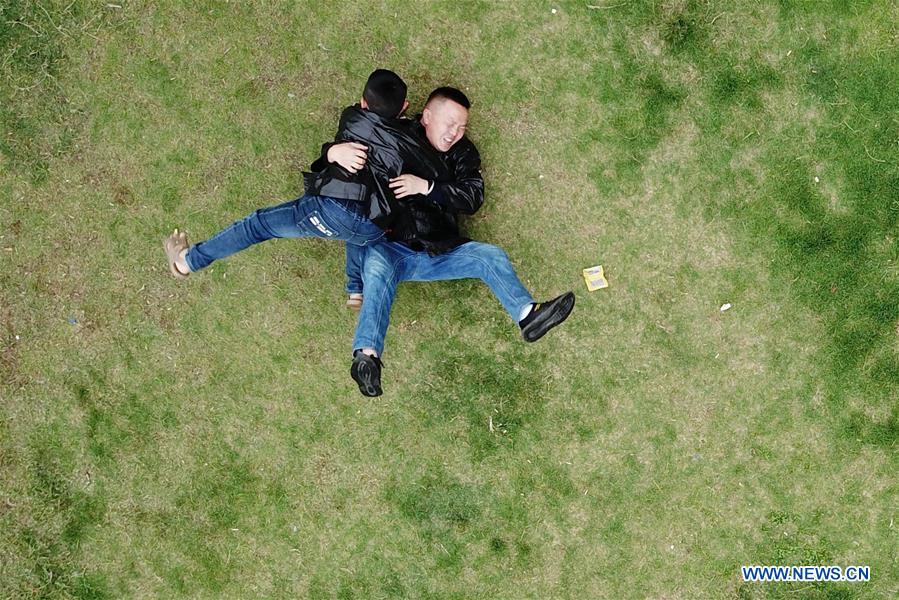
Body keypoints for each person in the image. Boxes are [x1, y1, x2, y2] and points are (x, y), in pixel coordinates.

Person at [348, 87, 575, 397]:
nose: (455, 132)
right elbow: (359, 136)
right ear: (427, 116)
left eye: (462, 127)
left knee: (489, 256)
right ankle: (367, 357)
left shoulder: (463, 153)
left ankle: (528, 315)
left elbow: (471, 198)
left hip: (437, 251)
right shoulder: (396, 135)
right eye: (450, 123)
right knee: (375, 265)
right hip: (391, 245)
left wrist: (426, 187)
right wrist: (333, 153)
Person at [162, 69, 411, 280]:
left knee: (257, 226)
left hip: (333, 211)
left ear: (363, 103)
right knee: (356, 231)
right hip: (374, 228)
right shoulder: (410, 144)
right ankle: (355, 288)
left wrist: (333, 152)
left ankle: (187, 262)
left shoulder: (353, 119)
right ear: (405, 108)